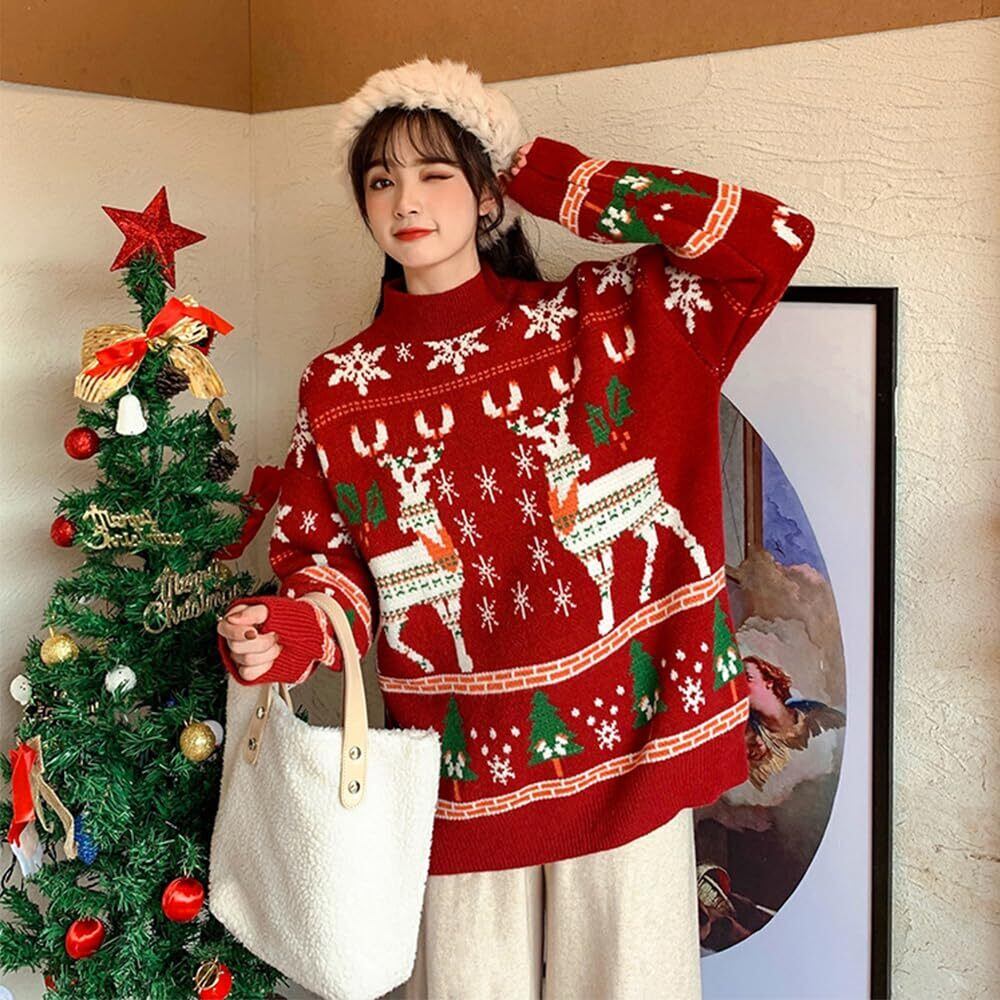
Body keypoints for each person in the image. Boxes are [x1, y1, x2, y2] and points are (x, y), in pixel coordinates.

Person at [216, 56, 815, 999]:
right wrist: (287, 632)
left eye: (436, 172)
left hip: (629, 774)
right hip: (460, 792)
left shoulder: (603, 321)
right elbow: (328, 567)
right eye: (380, 181)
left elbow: (767, 239)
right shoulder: (340, 389)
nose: (405, 200)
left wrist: (537, 167)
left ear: (487, 193)